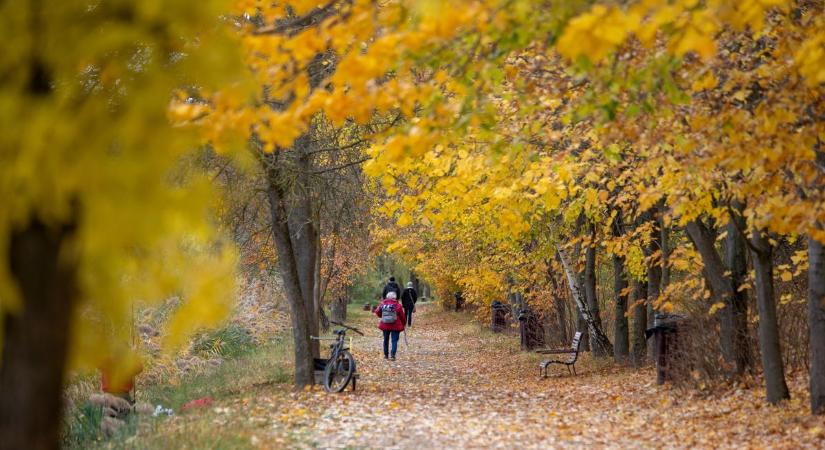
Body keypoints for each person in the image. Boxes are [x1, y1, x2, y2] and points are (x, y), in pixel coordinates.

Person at [374, 291, 406, 360]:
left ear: (387, 297)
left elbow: (377, 312)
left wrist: (383, 316)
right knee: (394, 340)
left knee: (386, 340)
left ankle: (386, 355)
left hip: (385, 324)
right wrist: (403, 324)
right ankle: (392, 355)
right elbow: (402, 316)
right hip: (396, 325)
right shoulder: (398, 305)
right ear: (395, 297)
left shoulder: (383, 304)